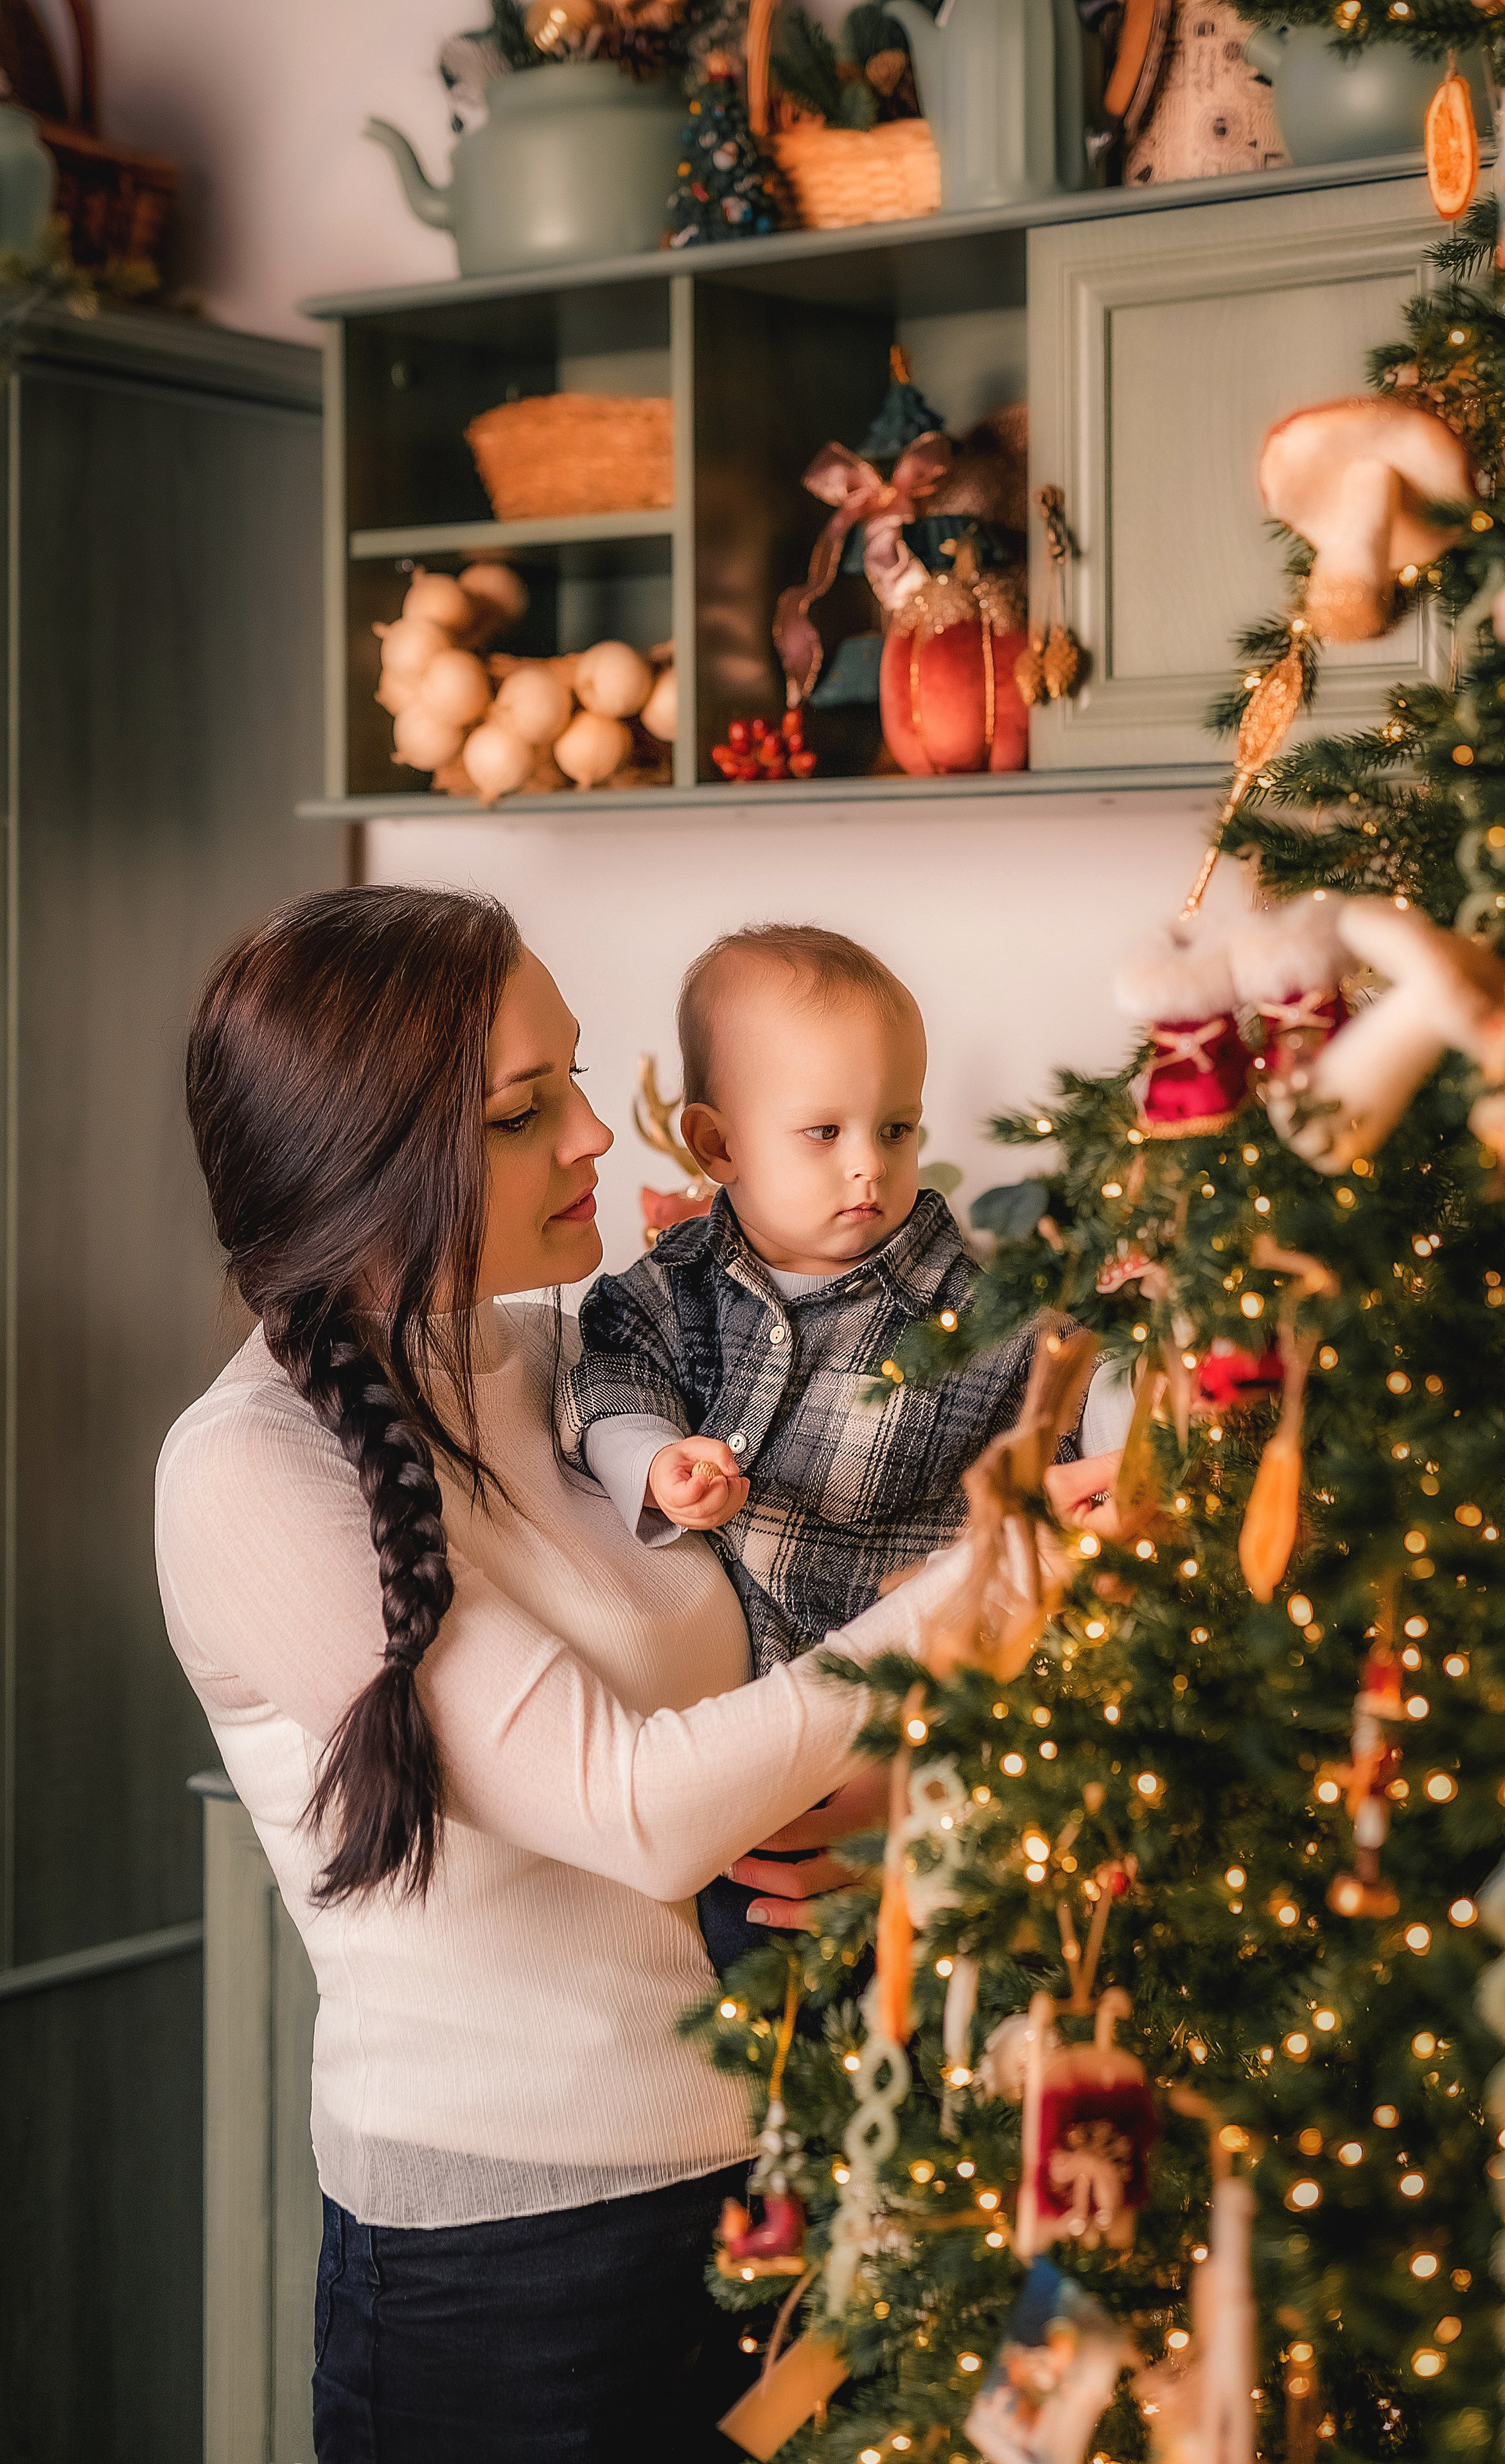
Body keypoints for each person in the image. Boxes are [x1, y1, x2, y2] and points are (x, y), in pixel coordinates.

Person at [155, 886, 985, 2464]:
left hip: (782, 2187)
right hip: (508, 2275)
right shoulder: (249, 1471)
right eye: (528, 1111)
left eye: (579, 1081)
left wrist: (886, 1788)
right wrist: (979, 1588)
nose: (603, 1136)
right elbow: (637, 1808)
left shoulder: (576, 1365)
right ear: (372, 1154)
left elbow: (784, 1671)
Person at [561, 924, 1129, 1969]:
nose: (871, 1166)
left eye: (899, 1128)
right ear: (717, 1145)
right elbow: (608, 1376)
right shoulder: (671, 1287)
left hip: (924, 1735)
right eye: (823, 1133)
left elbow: (1086, 1387)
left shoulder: (976, 1306)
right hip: (744, 1765)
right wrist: (650, 1460)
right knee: (754, 2010)